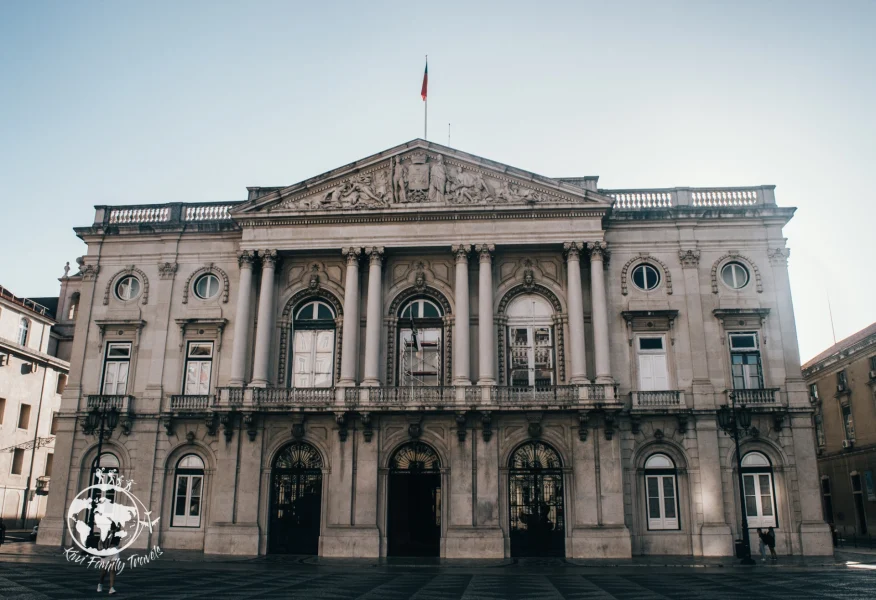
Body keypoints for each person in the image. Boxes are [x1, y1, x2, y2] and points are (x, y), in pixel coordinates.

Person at [96, 521, 120, 594]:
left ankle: (111, 588)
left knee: (113, 570)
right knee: (104, 571)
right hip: (105, 552)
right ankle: (100, 584)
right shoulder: (105, 531)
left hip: (114, 551)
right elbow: (101, 541)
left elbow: (117, 541)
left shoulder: (118, 532)